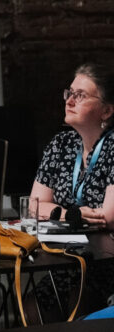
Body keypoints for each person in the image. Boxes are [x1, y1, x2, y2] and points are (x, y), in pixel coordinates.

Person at [29, 64, 114, 228]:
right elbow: (34, 206)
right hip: (66, 243)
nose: (69, 101)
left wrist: (58, 214)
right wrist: (69, 215)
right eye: (70, 93)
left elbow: (108, 217)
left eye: (80, 95)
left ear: (106, 111)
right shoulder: (61, 143)